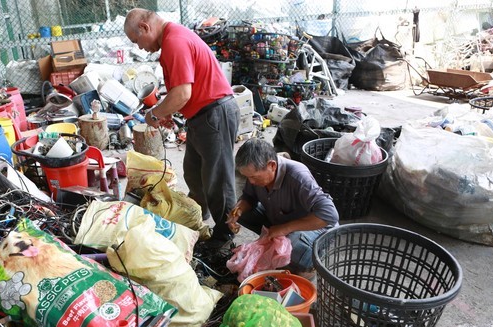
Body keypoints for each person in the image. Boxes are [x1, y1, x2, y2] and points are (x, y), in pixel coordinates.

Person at [124, 9, 240, 246]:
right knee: (195, 173)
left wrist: (154, 114)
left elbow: (182, 93)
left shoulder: (174, 41)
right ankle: (198, 215)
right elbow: (184, 91)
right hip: (203, 115)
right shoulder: (172, 39)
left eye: (137, 41)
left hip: (215, 114)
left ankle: (226, 233)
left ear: (145, 28)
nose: (140, 48)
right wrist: (168, 111)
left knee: (218, 179)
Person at [227, 138, 339, 279]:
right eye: (247, 177)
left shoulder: (298, 176)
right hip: (281, 218)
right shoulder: (257, 175)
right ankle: (277, 241)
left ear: (272, 165)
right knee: (240, 211)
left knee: (293, 244)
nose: (251, 182)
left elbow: (330, 215)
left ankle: (309, 264)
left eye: (254, 177)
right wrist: (238, 210)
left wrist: (285, 228)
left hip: (316, 226)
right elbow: (249, 197)